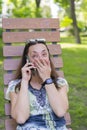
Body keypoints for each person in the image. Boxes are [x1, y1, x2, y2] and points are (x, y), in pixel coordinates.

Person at [5, 38, 69, 130]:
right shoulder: (15, 86)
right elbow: (21, 118)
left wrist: (47, 79)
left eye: (44, 54)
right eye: (34, 56)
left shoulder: (60, 83)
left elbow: (60, 112)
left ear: (48, 58)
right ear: (28, 60)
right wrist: (24, 82)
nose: (41, 59)